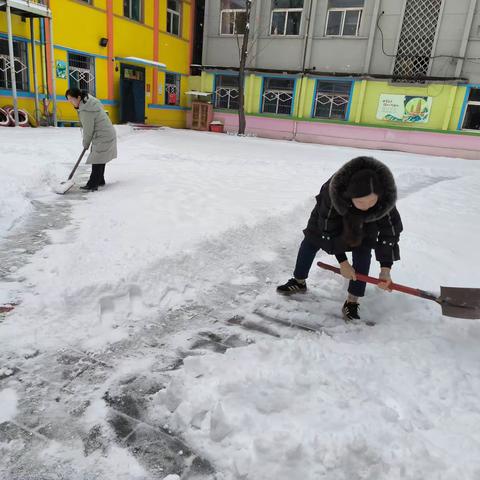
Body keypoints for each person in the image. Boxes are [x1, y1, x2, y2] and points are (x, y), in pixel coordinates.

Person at [277, 156, 403, 321]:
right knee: (310, 243)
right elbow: (328, 230)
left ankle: (352, 301)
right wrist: (343, 262)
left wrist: (385, 270)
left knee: (363, 254)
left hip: (365, 226)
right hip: (327, 218)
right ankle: (299, 281)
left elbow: (390, 232)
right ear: (350, 195)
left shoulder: (384, 202)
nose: (367, 207)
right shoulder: (333, 193)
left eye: (371, 202)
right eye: (361, 202)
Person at [65, 88, 117, 191]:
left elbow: (88, 130)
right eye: (68, 99)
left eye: (71, 99)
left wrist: (86, 143)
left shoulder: (86, 110)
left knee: (97, 158)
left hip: (103, 135)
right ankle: (99, 180)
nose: (70, 102)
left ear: (79, 97)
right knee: (100, 157)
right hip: (106, 133)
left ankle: (93, 184)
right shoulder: (88, 102)